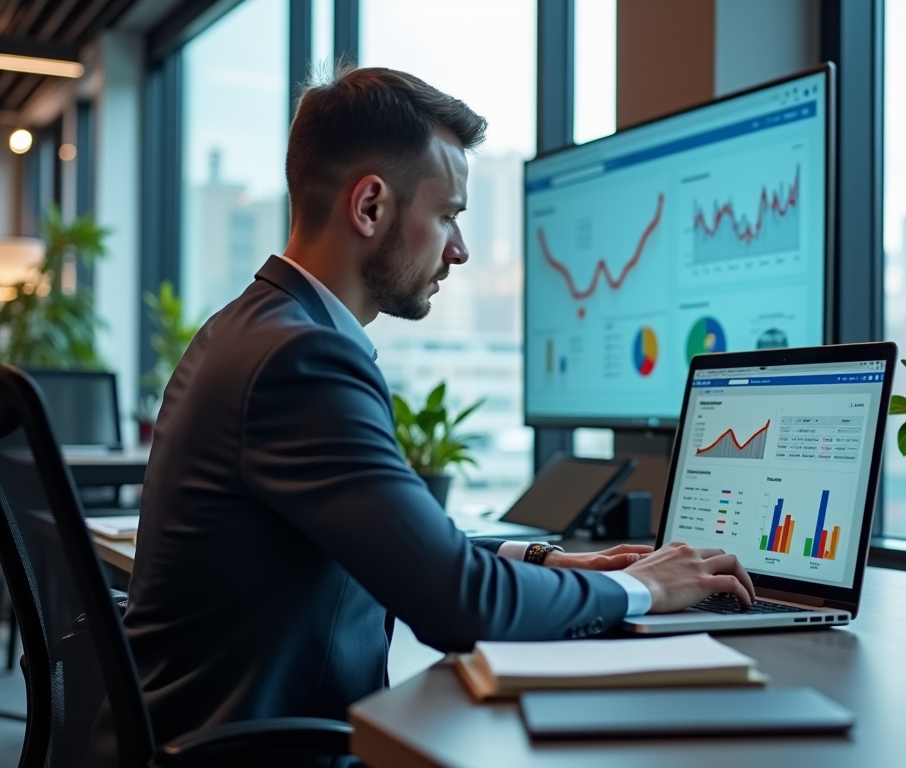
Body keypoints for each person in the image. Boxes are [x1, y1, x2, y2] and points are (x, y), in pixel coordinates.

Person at [124, 65, 755, 745]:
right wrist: (647, 590)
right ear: (370, 207)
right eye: (448, 216)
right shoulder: (299, 361)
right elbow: (457, 604)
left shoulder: (252, 327)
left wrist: (551, 562)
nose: (460, 250)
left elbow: (406, 546)